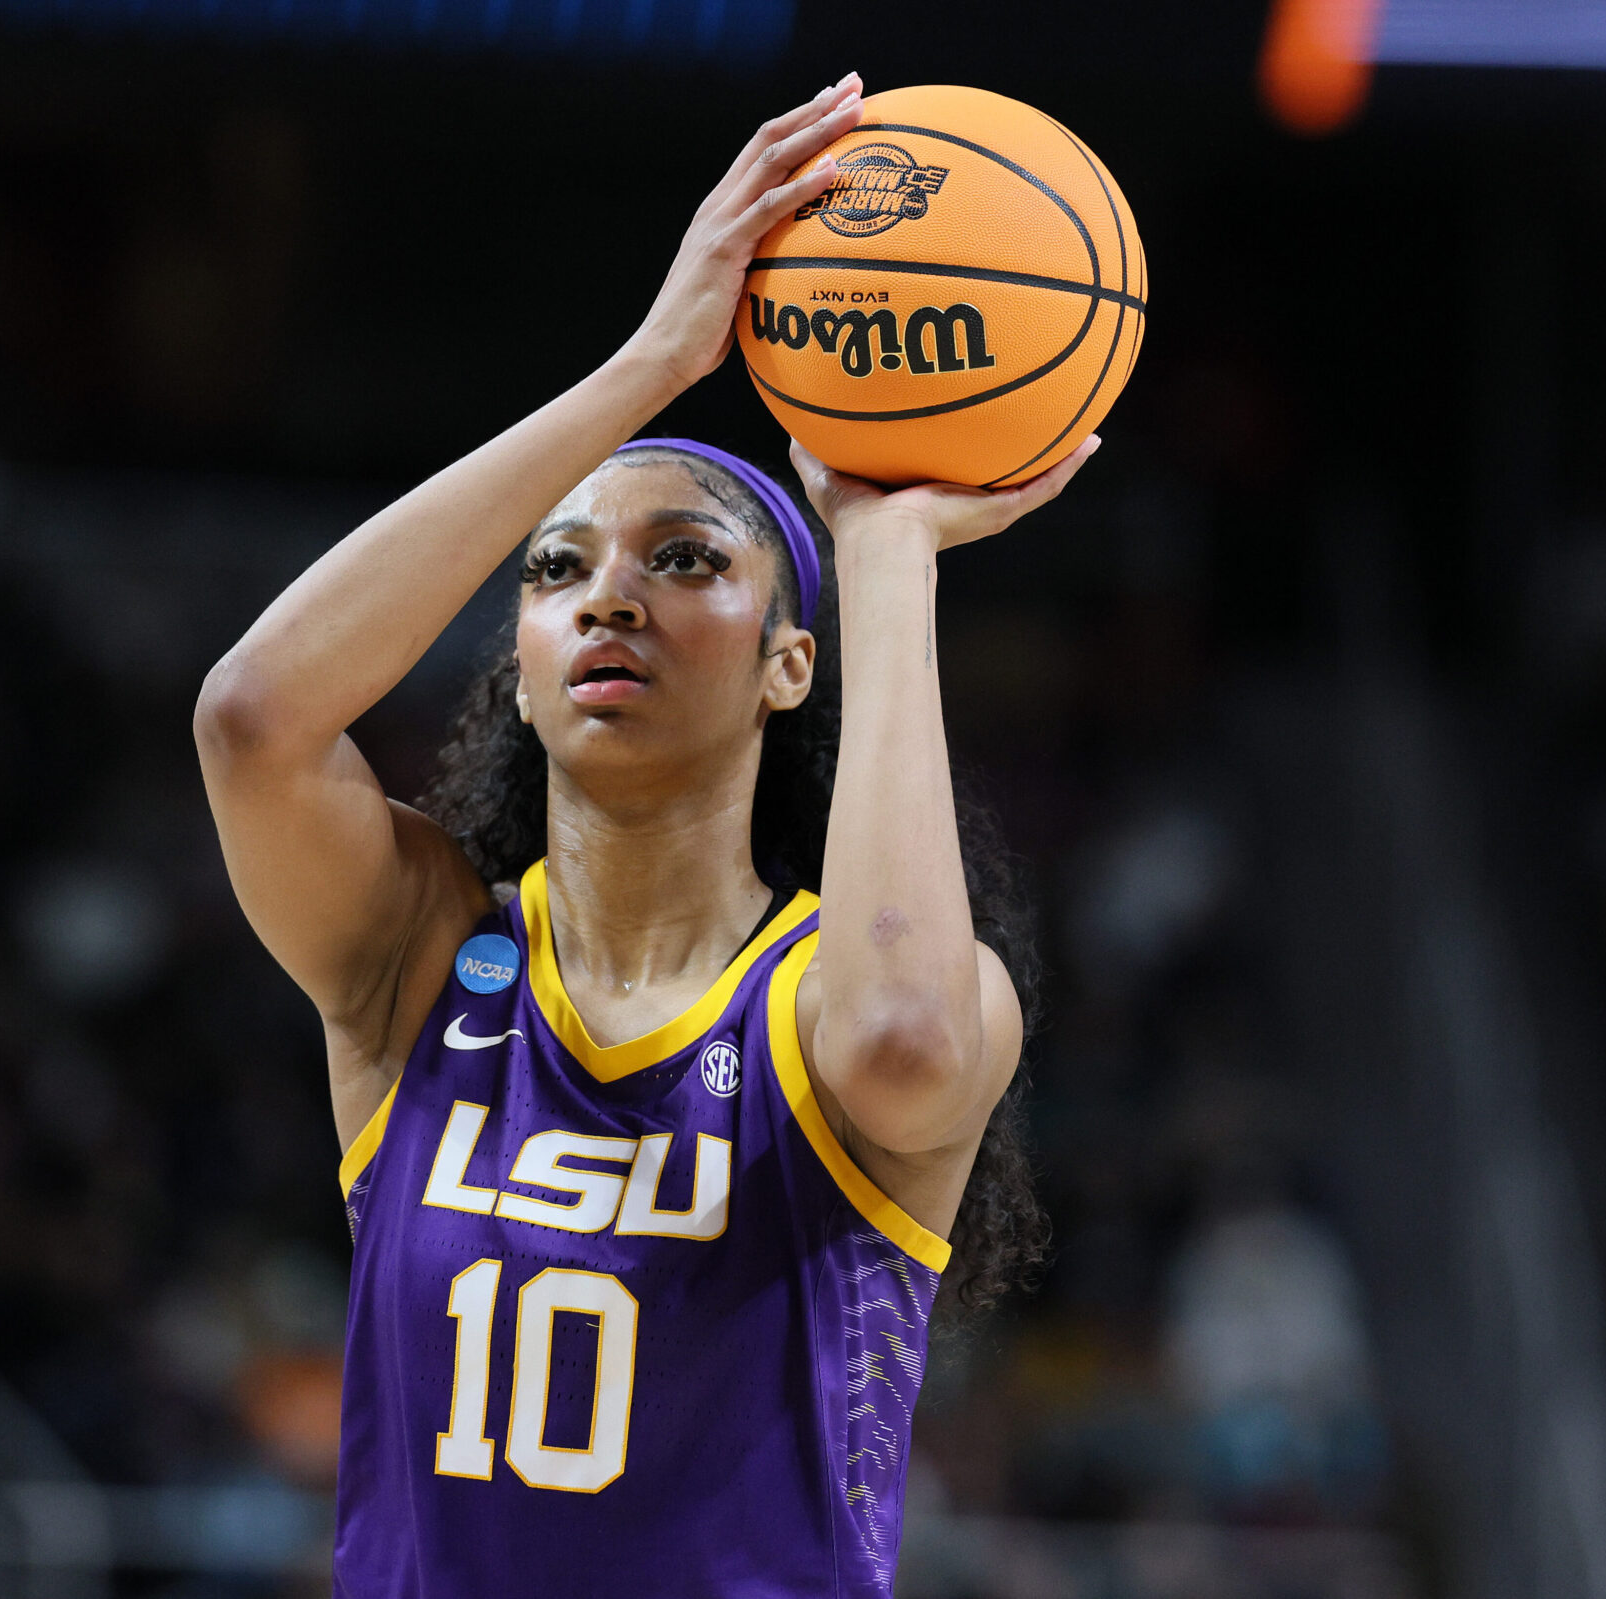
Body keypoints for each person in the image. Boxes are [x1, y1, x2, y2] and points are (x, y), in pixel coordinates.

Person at [194, 73, 1091, 1597]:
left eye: (684, 560)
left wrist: (883, 558)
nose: (611, 595)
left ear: (785, 663)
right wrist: (649, 366)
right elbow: (252, 720)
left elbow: (905, 1043)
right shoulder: (422, 961)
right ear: (521, 669)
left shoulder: (829, 1005)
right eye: (558, 569)